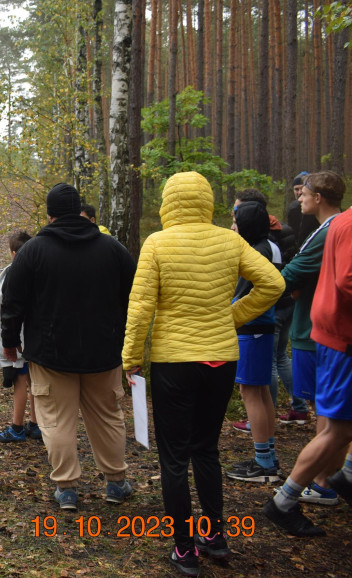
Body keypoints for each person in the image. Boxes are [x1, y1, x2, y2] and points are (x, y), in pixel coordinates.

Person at [121, 172, 283, 576]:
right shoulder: (229, 240)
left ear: (168, 202)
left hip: (175, 361)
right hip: (220, 359)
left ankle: (184, 549)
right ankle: (215, 536)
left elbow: (140, 307)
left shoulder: (157, 243)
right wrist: (231, 318)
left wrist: (130, 359)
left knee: (174, 457)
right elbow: (273, 283)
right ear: (207, 201)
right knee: (206, 450)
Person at [1, 183, 136, 513]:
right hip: (103, 352)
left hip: (50, 354)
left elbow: (12, 300)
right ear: (80, 211)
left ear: (49, 214)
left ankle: (67, 489)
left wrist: (9, 340)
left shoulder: (33, 251)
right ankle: (116, 483)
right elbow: (133, 295)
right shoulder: (112, 249)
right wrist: (128, 340)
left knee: (56, 420)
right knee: (107, 416)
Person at [263, 200, 352, 536]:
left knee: (339, 426)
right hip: (342, 339)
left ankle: (343, 478)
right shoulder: (346, 225)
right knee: (337, 430)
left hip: (332, 334)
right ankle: (285, 500)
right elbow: (347, 280)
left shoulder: (339, 223)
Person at [226, 201, 283, 484]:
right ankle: (268, 455)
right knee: (259, 391)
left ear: (246, 225)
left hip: (252, 328)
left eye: (236, 222)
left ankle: (263, 464)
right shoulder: (269, 246)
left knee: (251, 392)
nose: (232, 227)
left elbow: (244, 294)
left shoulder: (256, 252)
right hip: (263, 328)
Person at [0, 230, 40, 443]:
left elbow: (9, 311)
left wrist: (10, 343)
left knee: (21, 381)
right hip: (31, 340)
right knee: (34, 382)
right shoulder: (37, 271)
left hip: (19, 341)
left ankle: (17, 427)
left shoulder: (14, 275)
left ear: (12, 252)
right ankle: (36, 424)